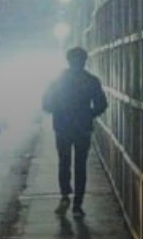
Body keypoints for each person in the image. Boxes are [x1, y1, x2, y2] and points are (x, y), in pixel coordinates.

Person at [42, 47, 107, 217]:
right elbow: (101, 104)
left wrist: (60, 111)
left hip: (62, 128)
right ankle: (77, 205)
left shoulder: (58, 80)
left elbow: (46, 104)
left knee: (64, 163)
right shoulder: (91, 80)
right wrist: (88, 115)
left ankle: (65, 196)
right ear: (84, 61)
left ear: (68, 61)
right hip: (82, 129)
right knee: (80, 166)